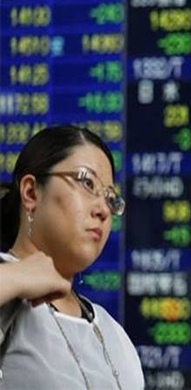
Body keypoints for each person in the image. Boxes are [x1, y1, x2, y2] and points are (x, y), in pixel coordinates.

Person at [0, 125, 144, 389]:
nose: (103, 210)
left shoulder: (113, 332)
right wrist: (15, 276)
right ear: (31, 192)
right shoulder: (7, 298)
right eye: (87, 182)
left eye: (111, 199)